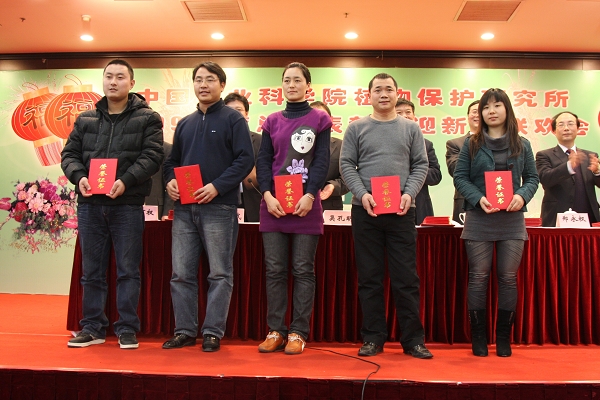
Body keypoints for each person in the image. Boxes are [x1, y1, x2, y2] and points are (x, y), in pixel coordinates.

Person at [61, 59, 164, 349]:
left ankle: (127, 328)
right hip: (90, 205)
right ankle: (92, 327)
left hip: (127, 205)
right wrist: (79, 176)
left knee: (128, 270)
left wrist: (126, 181)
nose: (113, 82)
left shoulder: (148, 118)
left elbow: (152, 156)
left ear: (132, 83)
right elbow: (69, 154)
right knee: (91, 272)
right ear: (103, 80)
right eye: (109, 76)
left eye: (120, 77)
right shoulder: (86, 118)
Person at [162, 62, 254, 352]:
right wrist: (170, 181)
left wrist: (217, 186)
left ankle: (213, 331)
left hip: (219, 208)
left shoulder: (233, 119)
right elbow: (171, 162)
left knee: (220, 273)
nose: (203, 85)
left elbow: (245, 160)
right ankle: (185, 331)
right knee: (181, 273)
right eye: (198, 79)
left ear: (222, 85)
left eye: (210, 79)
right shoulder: (185, 123)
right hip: (185, 209)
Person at [340, 73, 432, 359]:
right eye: (378, 89)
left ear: (396, 93)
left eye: (389, 89)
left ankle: (413, 340)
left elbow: (421, 165)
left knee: (406, 278)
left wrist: (409, 193)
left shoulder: (411, 128)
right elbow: (346, 165)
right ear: (369, 95)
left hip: (402, 210)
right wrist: (362, 194)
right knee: (370, 277)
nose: (383, 94)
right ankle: (373, 337)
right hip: (365, 210)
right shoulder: (356, 128)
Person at [453, 88, 539, 357]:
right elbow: (460, 177)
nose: (491, 111)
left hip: (511, 219)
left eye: (497, 105)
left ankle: (503, 338)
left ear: (507, 109)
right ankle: (478, 337)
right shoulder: (472, 144)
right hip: (479, 217)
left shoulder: (522, 144)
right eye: (486, 107)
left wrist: (521, 196)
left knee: (508, 277)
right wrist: (478, 198)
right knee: (478, 277)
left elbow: (532, 178)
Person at [256, 62, 331, 355]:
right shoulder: (272, 120)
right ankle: (275, 330)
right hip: (273, 204)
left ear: (308, 86)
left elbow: (321, 160)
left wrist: (311, 194)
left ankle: (298, 332)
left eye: (297, 80)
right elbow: (264, 161)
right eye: (286, 80)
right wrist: (267, 194)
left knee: (302, 269)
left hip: (306, 205)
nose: (291, 85)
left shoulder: (320, 118)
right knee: (275, 270)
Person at [535, 111, 600, 227]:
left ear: (578, 129)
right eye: (561, 125)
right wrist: (569, 166)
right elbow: (545, 178)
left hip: (588, 217)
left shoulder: (590, 156)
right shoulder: (544, 155)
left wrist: (597, 173)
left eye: (570, 124)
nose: (566, 128)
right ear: (554, 131)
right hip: (557, 217)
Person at [394, 99, 442, 225]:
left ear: (414, 116)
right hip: (391, 203)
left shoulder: (426, 144)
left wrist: (415, 169)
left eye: (408, 112)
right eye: (399, 113)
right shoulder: (385, 144)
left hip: (420, 207)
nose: (405, 116)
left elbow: (436, 176)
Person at [223, 92, 263, 222]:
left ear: (246, 114)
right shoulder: (217, 142)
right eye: (229, 110)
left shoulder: (261, 140)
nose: (234, 114)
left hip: (252, 202)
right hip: (223, 202)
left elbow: (268, 172)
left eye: (238, 110)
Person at [309, 101, 349, 210]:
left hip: (330, 207)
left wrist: (332, 186)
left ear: (330, 121)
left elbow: (348, 178)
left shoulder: (341, 146)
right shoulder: (294, 147)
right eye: (313, 117)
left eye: (322, 118)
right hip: (299, 207)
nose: (318, 122)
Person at [446, 100, 480, 223]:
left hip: (495, 199)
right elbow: (455, 169)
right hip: (465, 201)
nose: (477, 115)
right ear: (468, 116)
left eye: (481, 112)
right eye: (474, 112)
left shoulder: (498, 143)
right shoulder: (455, 144)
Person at [146, 142, 174, 220]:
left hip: (156, 208)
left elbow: (171, 185)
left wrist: (167, 212)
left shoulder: (166, 148)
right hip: (129, 209)